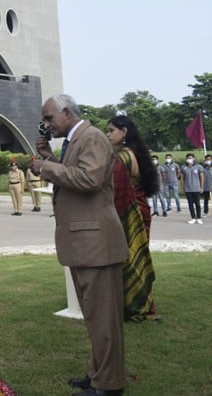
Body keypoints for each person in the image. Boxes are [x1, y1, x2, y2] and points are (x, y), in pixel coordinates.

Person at [32, 94, 127, 396]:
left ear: (67, 113)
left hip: (96, 244)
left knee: (104, 320)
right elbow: (71, 176)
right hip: (85, 243)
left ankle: (109, 385)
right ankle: (102, 376)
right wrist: (47, 157)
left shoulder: (92, 137)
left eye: (49, 118)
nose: (46, 124)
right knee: (95, 318)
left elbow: (90, 179)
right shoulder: (74, 141)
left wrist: (45, 168)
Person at [106, 115, 160, 321]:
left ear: (124, 132)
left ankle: (133, 305)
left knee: (129, 258)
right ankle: (143, 302)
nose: (108, 134)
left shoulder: (123, 157)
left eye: (111, 130)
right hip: (141, 208)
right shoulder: (137, 153)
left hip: (130, 211)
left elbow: (112, 189)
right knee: (139, 256)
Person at [180, 153, 204, 225]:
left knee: (197, 204)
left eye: (190, 158)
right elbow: (182, 178)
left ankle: (199, 218)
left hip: (196, 188)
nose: (189, 159)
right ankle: (193, 218)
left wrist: (202, 187)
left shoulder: (199, 167)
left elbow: (201, 177)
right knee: (190, 204)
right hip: (188, 189)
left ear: (194, 158)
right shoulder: (183, 167)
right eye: (188, 158)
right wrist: (182, 188)